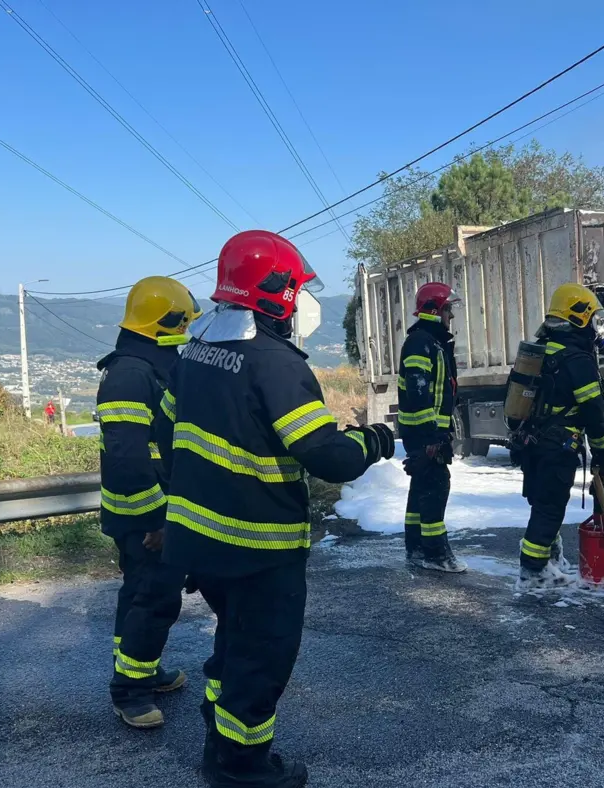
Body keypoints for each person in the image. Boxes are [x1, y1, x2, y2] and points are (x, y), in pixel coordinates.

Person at [115, 230, 394, 787]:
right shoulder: (274, 362)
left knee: (234, 642)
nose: (300, 300)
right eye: (296, 289)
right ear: (275, 292)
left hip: (199, 542)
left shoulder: (195, 352)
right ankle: (239, 766)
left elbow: (166, 433)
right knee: (262, 655)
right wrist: (374, 441)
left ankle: (219, 739)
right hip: (259, 546)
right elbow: (326, 455)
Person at [99, 276, 202, 729]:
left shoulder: (148, 365)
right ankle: (131, 692)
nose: (186, 330)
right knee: (153, 600)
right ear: (165, 321)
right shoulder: (132, 373)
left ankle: (140, 669)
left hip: (151, 508)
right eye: (183, 323)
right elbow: (127, 457)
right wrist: (157, 521)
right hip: (145, 514)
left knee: (141, 595)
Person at [508, 283, 604, 590]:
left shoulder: (539, 350)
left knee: (541, 503)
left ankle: (550, 559)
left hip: (530, 443)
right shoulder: (577, 359)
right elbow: (593, 412)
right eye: (592, 319)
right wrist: (602, 453)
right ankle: (534, 570)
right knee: (550, 507)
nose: (595, 328)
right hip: (557, 447)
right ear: (578, 317)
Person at [396, 281, 465, 573]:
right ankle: (436, 555)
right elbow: (418, 390)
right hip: (424, 432)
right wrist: (432, 435)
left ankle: (416, 548)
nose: (451, 315)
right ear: (435, 310)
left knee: (422, 487)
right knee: (436, 486)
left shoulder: (432, 342)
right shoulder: (421, 343)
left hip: (427, 431)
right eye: (448, 309)